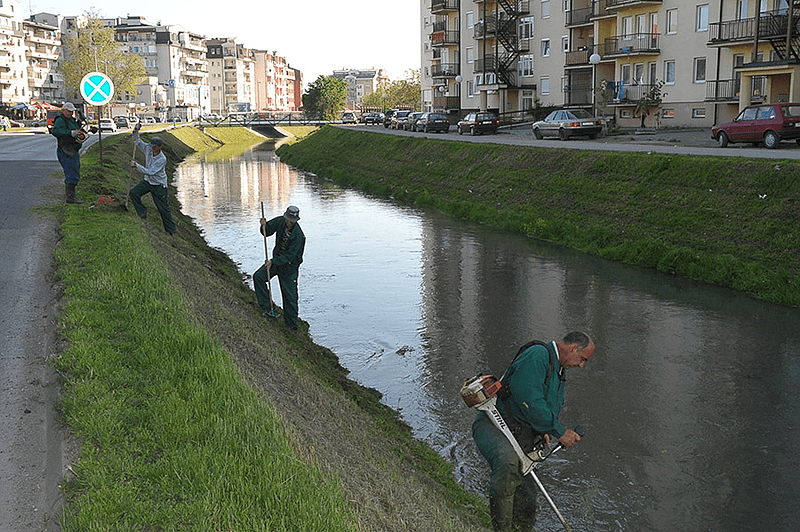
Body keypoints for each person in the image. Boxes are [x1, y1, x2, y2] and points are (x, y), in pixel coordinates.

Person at [472, 331, 596, 532]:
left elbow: (544, 407)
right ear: (573, 348)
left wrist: (542, 431)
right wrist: (558, 431)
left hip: (519, 433)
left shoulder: (558, 370)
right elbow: (529, 400)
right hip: (493, 426)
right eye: (583, 359)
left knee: (527, 492)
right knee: (508, 465)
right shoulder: (538, 355)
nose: (582, 365)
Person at [253, 206, 305, 330]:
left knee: (290, 298)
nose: (288, 222)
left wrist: (273, 261)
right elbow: (267, 231)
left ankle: (291, 326)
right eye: (287, 219)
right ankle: (267, 306)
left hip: (289, 268)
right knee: (258, 277)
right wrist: (263, 226)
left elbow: (290, 256)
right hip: (276, 262)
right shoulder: (281, 221)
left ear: (295, 220)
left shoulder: (299, 236)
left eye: (291, 221)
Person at [128, 124, 176, 235]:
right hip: (148, 181)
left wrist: (136, 166)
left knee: (163, 209)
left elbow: (151, 172)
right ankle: (142, 211)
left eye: (155, 147)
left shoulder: (162, 159)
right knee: (134, 193)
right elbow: (137, 142)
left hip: (159, 185)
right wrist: (135, 131)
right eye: (151, 146)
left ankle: (171, 231)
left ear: (160, 147)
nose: (152, 149)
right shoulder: (148, 149)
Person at [52, 102, 86, 204]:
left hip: (72, 150)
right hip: (65, 150)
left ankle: (72, 196)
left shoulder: (70, 120)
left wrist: (81, 124)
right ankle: (70, 198)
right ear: (63, 110)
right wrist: (70, 133)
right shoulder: (60, 120)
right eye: (69, 111)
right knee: (71, 173)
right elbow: (56, 131)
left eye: (72, 111)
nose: (70, 113)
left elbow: (77, 129)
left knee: (74, 171)